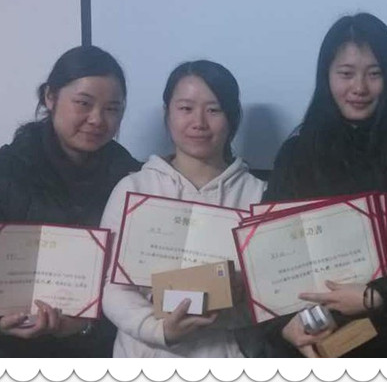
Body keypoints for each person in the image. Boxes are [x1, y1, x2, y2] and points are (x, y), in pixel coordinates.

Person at [235, 12, 387, 358]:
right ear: (326, 76)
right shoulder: (298, 153)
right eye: (346, 73)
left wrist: (377, 296)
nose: (359, 88)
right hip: (312, 340)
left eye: (374, 73)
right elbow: (267, 256)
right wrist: (284, 327)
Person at [0, 45, 142, 357]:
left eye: (112, 109)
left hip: (91, 355)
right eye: (83, 103)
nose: (97, 119)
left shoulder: (132, 181)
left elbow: (135, 284)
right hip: (3, 355)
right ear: (50, 97)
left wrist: (87, 325)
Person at [100, 60, 266, 357]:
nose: (199, 122)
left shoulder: (259, 195)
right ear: (168, 114)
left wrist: (234, 303)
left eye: (214, 110)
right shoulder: (133, 188)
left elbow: (272, 293)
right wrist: (159, 329)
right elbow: (110, 287)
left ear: (232, 117)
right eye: (186, 108)